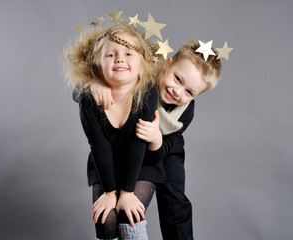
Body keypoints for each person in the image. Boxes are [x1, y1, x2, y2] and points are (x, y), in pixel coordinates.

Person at [90, 42, 222, 240]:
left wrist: (156, 139)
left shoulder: (185, 111)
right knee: (114, 208)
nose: (178, 92)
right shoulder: (141, 73)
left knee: (174, 201)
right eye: (177, 79)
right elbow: (85, 88)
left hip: (165, 146)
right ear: (167, 65)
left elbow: (162, 151)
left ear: (196, 96)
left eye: (189, 92)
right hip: (126, 142)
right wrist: (95, 84)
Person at [64, 21, 164, 240]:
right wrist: (110, 192)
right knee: (106, 217)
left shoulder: (147, 92)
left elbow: (138, 145)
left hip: (140, 166)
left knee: (128, 214)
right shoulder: (89, 97)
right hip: (105, 166)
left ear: (142, 65)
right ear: (97, 65)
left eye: (129, 53)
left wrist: (126, 193)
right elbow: (98, 146)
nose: (119, 59)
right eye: (111, 55)